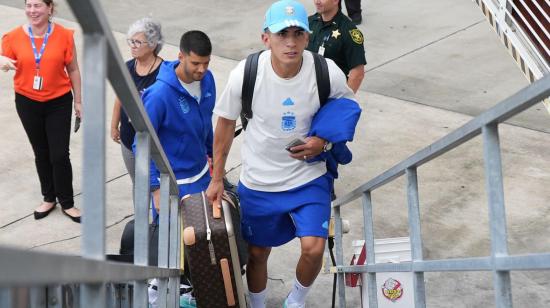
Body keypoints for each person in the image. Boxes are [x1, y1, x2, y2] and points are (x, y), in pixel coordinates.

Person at [206, 1, 360, 307]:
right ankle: (259, 304)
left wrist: (324, 143)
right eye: (281, 34)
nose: (290, 42)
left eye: (297, 33)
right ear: (266, 38)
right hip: (260, 181)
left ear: (307, 37)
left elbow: (347, 108)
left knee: (314, 248)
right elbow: (223, 126)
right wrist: (217, 178)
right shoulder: (246, 73)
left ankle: (295, 301)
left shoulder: (323, 71)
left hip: (308, 177)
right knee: (258, 253)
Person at [138, 30, 215, 308]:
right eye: (195, 63)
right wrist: (156, 187)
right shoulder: (159, 95)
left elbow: (206, 122)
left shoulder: (208, 80)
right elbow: (142, 143)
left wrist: (213, 157)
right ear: (180, 56)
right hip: (173, 184)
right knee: (171, 249)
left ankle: (192, 291)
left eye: (206, 63)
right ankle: (157, 294)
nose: (202, 69)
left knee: (200, 242)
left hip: (203, 178)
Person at [1, 0, 82, 223]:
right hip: (27, 102)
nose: (32, 11)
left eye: (38, 6)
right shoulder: (13, 37)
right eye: (29, 6)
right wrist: (1, 62)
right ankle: (48, 197)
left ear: (50, 8)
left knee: (59, 154)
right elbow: (3, 60)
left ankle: (67, 202)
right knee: (41, 152)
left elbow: (73, 68)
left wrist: (78, 101)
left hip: (59, 102)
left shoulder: (64, 35)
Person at [110, 17, 164, 193]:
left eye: (138, 42)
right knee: (138, 184)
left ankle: (157, 220)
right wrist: (114, 125)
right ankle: (140, 219)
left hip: (154, 141)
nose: (132, 45)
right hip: (128, 138)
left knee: (156, 186)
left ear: (153, 44)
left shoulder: (163, 73)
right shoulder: (127, 67)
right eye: (131, 41)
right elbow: (120, 97)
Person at [308, 0, 366, 93]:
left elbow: (357, 73)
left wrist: (343, 101)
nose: (317, 1)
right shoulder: (309, 23)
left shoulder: (349, 31)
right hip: (307, 90)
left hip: (331, 94)